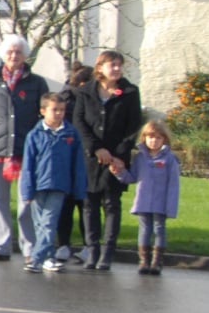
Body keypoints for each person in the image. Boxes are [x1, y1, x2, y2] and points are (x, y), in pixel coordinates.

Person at [0, 34, 49, 262]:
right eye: (10, 52)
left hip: (26, 149)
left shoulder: (36, 83)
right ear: (3, 55)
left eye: (18, 52)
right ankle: (1, 245)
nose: (14, 56)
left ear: (25, 56)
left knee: (26, 200)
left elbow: (43, 116)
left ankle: (29, 248)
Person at [72, 51, 142, 271]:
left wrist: (118, 155)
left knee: (111, 204)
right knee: (89, 205)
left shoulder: (130, 92)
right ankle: (91, 251)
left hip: (116, 159)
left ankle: (107, 253)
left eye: (120, 65)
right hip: (91, 159)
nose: (117, 69)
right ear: (100, 67)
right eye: (113, 65)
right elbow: (79, 122)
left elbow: (133, 126)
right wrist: (95, 148)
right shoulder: (85, 92)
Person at [19, 93, 90, 273]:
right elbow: (28, 165)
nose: (59, 113)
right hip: (38, 186)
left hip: (59, 185)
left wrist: (79, 188)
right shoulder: (34, 135)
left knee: (49, 223)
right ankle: (49, 257)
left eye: (62, 110)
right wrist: (27, 191)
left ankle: (35, 260)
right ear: (43, 111)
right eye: (54, 110)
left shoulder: (71, 133)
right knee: (40, 224)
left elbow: (78, 164)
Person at [117, 118, 181, 276]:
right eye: (150, 137)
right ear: (144, 138)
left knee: (159, 229)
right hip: (143, 200)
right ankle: (144, 261)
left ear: (164, 140)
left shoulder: (169, 159)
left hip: (161, 201)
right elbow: (131, 177)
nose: (154, 141)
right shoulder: (140, 158)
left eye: (158, 138)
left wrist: (170, 206)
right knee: (144, 229)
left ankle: (157, 261)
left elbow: (174, 185)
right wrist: (118, 172)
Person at [51, 63, 92, 263]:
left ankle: (84, 245)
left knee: (84, 204)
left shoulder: (81, 97)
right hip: (70, 157)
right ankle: (66, 244)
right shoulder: (68, 99)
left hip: (82, 158)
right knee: (69, 204)